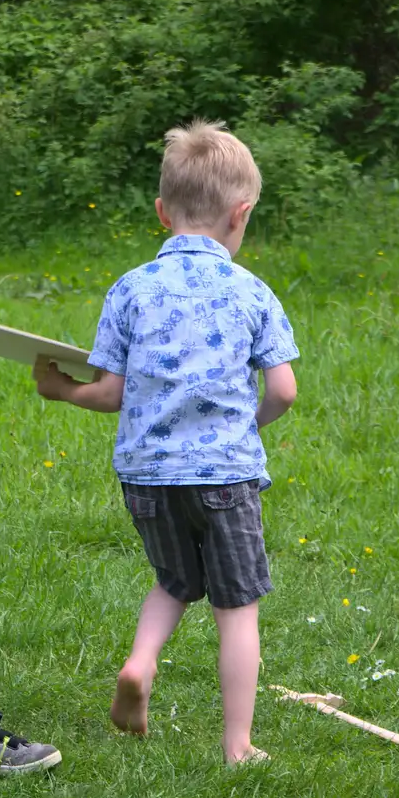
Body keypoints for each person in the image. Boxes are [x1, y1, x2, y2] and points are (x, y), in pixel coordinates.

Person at [34, 120, 299, 765]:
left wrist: (61, 390)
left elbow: (110, 392)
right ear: (242, 215)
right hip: (225, 475)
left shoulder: (130, 288)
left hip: (146, 475)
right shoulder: (252, 291)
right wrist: (246, 425)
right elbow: (285, 391)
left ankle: (139, 663)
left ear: (161, 211)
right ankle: (238, 744)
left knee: (174, 579)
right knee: (237, 606)